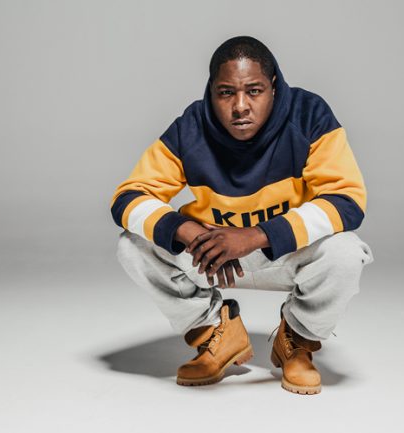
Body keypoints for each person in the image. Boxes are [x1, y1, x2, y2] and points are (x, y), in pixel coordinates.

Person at [109, 36, 374, 395]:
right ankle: (215, 332)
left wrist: (255, 236)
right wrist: (185, 230)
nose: (240, 106)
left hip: (284, 254)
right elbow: (127, 198)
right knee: (132, 245)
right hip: (210, 255)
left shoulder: (308, 115)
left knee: (346, 253)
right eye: (226, 93)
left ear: (274, 86)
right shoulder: (192, 126)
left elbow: (347, 200)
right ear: (211, 91)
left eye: (254, 91)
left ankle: (296, 340)